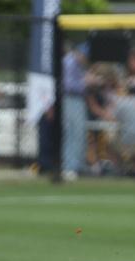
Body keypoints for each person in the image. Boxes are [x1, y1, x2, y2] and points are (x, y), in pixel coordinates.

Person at [61, 42, 89, 181]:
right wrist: (86, 82)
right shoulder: (70, 62)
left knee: (78, 133)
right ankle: (70, 167)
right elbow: (68, 85)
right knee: (73, 133)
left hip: (76, 99)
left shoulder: (76, 63)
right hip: (71, 99)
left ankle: (76, 165)